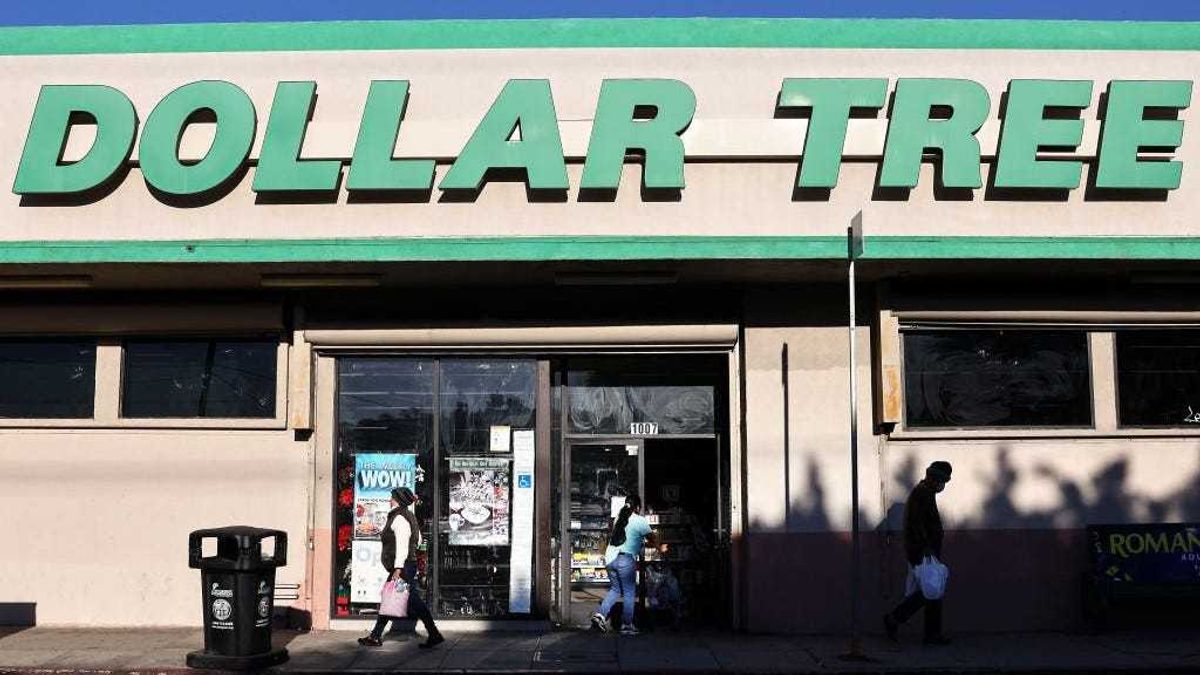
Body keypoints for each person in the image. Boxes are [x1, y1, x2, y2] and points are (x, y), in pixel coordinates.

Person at [358, 487, 445, 648]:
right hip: (405, 567)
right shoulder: (409, 516)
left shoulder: (399, 518)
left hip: (402, 568)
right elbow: (417, 540)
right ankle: (376, 635)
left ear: (397, 500)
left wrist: (398, 568)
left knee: (405, 599)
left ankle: (433, 633)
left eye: (391, 497)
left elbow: (403, 546)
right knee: (393, 598)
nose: (389, 500)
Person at [884, 461, 952, 646]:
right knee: (928, 592)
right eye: (942, 481)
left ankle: (932, 634)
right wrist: (926, 547)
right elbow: (917, 523)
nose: (943, 485)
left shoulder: (925, 492)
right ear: (934, 479)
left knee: (934, 592)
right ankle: (894, 618)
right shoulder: (922, 493)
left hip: (925, 550)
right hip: (923, 551)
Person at [591, 494, 657, 635]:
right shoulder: (639, 520)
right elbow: (652, 539)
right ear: (637, 508)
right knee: (629, 593)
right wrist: (659, 546)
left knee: (616, 589)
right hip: (625, 560)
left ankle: (600, 615)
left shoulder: (618, 519)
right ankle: (627, 625)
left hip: (610, 559)